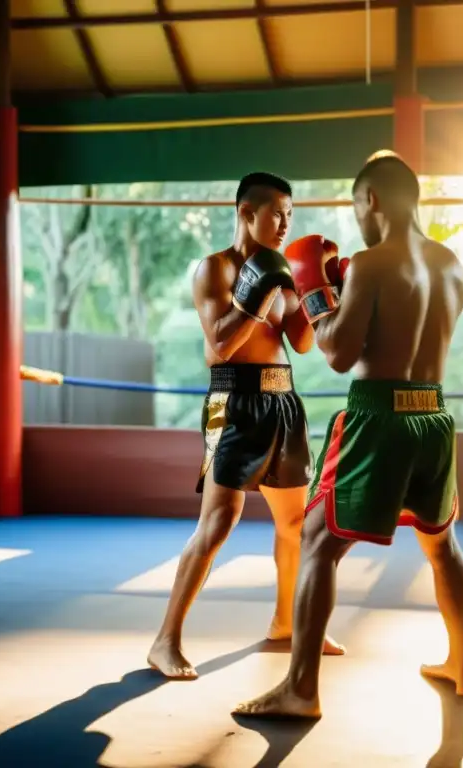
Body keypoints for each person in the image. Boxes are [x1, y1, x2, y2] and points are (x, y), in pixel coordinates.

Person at [234, 151, 463, 719]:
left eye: (356, 206)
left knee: (317, 542)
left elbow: (340, 355)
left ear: (370, 200)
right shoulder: (452, 265)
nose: (358, 220)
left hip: (379, 416)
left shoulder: (370, 264)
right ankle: (462, 666)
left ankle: (300, 689)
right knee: (443, 545)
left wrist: (315, 290)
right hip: (434, 416)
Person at [148, 172, 344, 680]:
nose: (284, 225)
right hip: (231, 400)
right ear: (246, 213)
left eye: (290, 215)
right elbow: (219, 347)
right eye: (276, 213)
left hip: (283, 401)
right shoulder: (213, 269)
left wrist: (322, 290)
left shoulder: (283, 270)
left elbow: (301, 343)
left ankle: (289, 622)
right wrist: (258, 290)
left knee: (296, 525)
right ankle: (164, 641)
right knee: (217, 524)